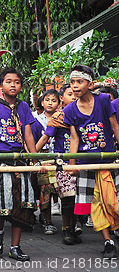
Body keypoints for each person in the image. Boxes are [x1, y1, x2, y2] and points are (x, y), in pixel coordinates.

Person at [0, 67, 37, 262]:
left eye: (17, 82)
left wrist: (35, 159)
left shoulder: (24, 107)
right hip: (0, 159)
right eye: (9, 81)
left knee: (22, 204)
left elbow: (28, 134)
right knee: (4, 203)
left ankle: (15, 247)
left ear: (21, 86)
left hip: (20, 160)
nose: (13, 84)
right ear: (0, 85)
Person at [64, 64, 119, 259]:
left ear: (90, 83)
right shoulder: (70, 109)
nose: (75, 86)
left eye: (79, 81)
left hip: (109, 161)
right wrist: (72, 164)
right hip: (87, 163)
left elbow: (115, 126)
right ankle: (108, 241)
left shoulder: (104, 100)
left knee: (115, 201)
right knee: (97, 203)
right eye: (72, 82)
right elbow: (74, 139)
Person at [36, 84, 81, 245]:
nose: (74, 97)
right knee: (67, 199)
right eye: (70, 94)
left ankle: (75, 226)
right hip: (63, 164)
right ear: (62, 98)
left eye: (76, 94)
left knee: (79, 199)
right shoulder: (58, 118)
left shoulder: (84, 114)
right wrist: (32, 155)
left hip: (82, 162)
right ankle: (66, 230)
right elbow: (45, 138)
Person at [36, 89, 60, 235]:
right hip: (42, 157)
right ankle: (47, 221)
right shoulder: (36, 119)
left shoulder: (62, 118)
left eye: (54, 100)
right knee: (45, 190)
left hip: (58, 156)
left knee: (61, 189)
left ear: (59, 103)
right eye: (47, 100)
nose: (50, 103)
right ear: (42, 102)